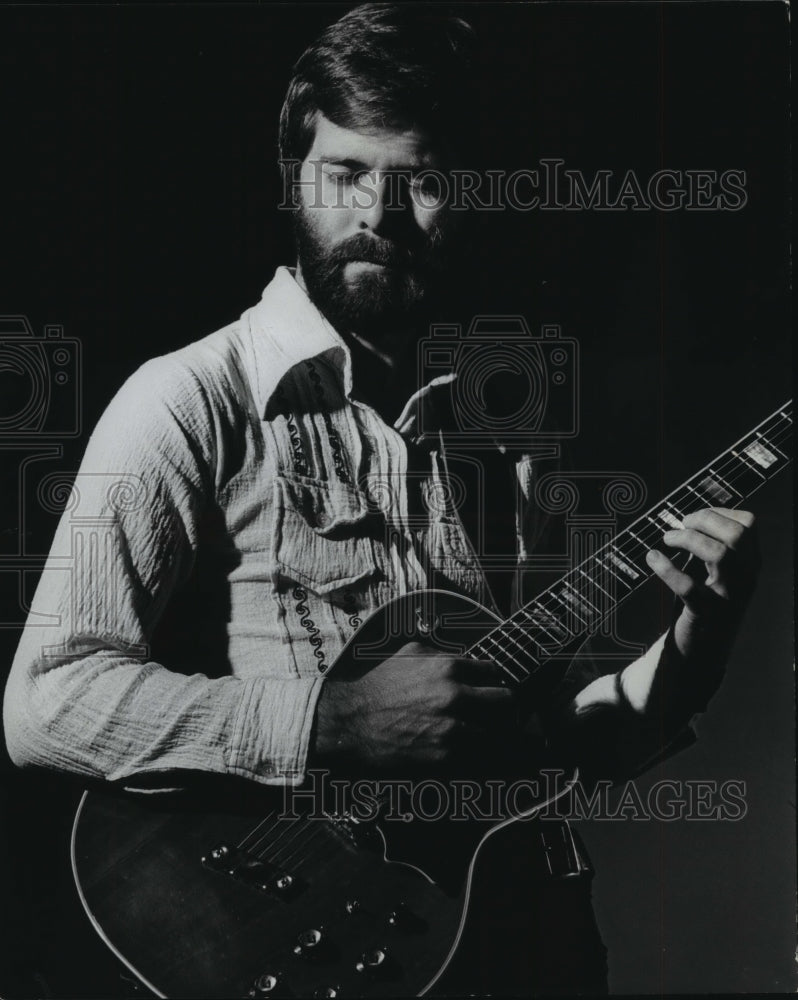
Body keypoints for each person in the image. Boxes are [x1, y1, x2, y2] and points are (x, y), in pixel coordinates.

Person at [3, 4, 760, 995]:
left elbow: (550, 748)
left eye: (425, 181)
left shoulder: (500, 430)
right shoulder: (194, 398)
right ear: (294, 177)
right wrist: (341, 720)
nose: (379, 214)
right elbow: (45, 702)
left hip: (525, 947)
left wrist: (702, 633)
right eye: (347, 173)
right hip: (319, 938)